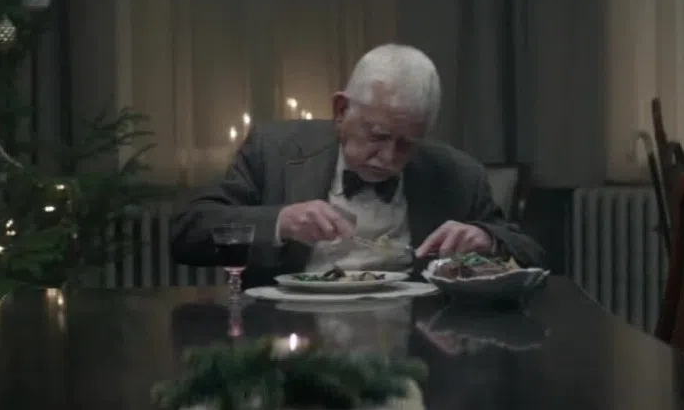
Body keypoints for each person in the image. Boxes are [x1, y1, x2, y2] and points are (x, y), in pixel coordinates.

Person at [170, 43, 544, 288]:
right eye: (378, 135)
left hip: (416, 342)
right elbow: (187, 233)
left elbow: (532, 255)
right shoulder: (274, 150)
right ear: (341, 111)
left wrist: (487, 241)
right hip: (292, 339)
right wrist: (281, 222)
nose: (389, 157)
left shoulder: (457, 173)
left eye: (407, 144)